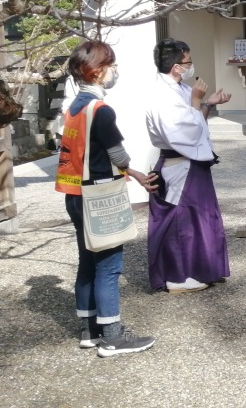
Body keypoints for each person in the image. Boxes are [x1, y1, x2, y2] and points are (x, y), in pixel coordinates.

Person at [55, 40, 159, 357]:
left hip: (74, 194)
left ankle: (89, 330)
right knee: (109, 266)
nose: (114, 71)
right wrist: (133, 169)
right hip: (99, 197)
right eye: (111, 65)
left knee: (87, 261)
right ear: (97, 71)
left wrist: (134, 174)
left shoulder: (73, 108)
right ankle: (113, 336)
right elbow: (117, 155)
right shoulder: (100, 111)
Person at [145, 38, 232, 294]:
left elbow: (196, 122)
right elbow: (185, 133)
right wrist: (196, 101)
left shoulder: (179, 88)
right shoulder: (162, 95)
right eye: (188, 61)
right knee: (181, 219)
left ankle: (201, 268)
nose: (190, 65)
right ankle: (178, 276)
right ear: (176, 66)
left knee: (200, 217)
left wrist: (208, 104)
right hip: (178, 163)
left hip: (191, 161)